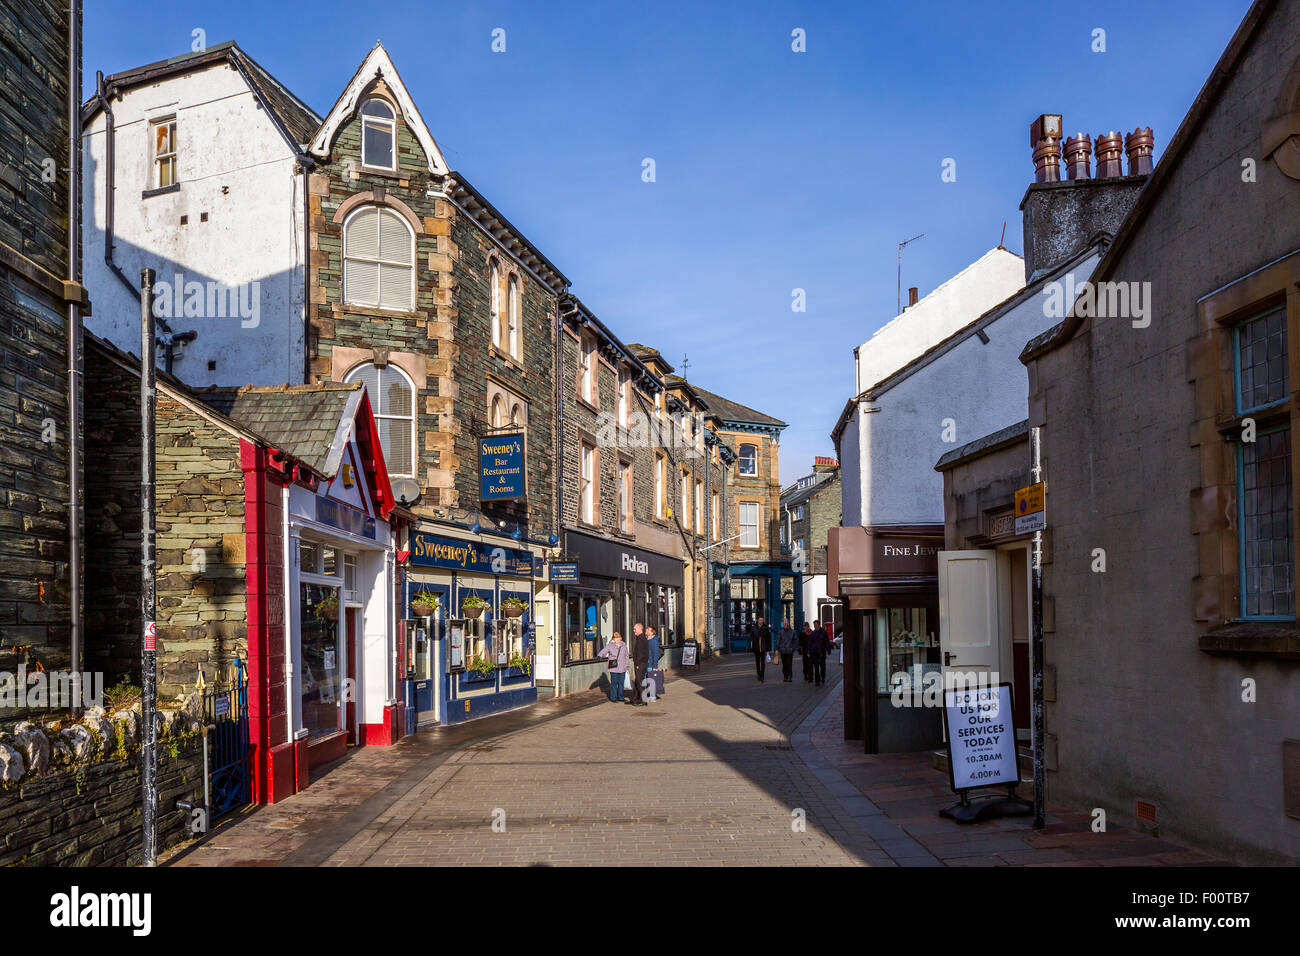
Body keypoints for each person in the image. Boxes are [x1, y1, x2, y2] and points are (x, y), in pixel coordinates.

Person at [596, 632, 629, 702]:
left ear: (620, 638)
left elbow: (626, 655)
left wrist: (626, 665)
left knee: (621, 682)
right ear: (613, 639)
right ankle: (613, 697)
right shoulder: (610, 645)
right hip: (613, 667)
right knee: (614, 682)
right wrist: (600, 655)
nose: (617, 639)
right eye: (615, 638)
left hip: (622, 667)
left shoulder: (623, 645)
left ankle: (620, 697)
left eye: (618, 638)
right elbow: (604, 650)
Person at [630, 622, 650, 706]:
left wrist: (637, 663)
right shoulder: (640, 638)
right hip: (641, 663)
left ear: (639, 629)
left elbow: (641, 653)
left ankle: (643, 700)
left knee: (639, 682)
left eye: (635, 629)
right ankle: (635, 699)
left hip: (640, 664)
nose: (634, 630)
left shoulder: (641, 639)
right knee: (637, 682)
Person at [749, 616, 770, 682]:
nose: (761, 621)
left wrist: (768, 649)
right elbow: (751, 637)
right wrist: (750, 646)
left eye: (762, 620)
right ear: (757, 620)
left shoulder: (766, 627)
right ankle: (758, 674)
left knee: (763, 663)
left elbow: (768, 639)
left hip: (763, 647)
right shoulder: (753, 628)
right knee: (757, 662)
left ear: (763, 621)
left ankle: (762, 676)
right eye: (760, 620)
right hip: (756, 647)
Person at [808, 622, 829, 687]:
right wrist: (809, 651)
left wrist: (828, 650)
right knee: (816, 667)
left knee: (823, 667)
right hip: (815, 652)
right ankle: (817, 681)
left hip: (822, 652)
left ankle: (822, 677)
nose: (815, 627)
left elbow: (826, 641)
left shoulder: (823, 632)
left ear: (819, 625)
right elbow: (810, 643)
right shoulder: (813, 633)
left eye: (816, 625)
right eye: (814, 625)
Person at [644, 625, 662, 702]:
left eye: (648, 630)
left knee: (650, 679)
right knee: (646, 680)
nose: (646, 630)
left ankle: (652, 696)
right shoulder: (647, 639)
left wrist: (655, 666)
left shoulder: (653, 641)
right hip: (646, 663)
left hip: (650, 664)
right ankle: (649, 694)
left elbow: (655, 653)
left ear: (651, 632)